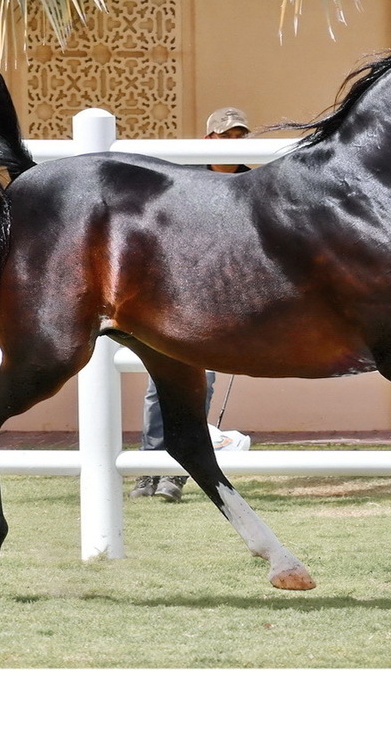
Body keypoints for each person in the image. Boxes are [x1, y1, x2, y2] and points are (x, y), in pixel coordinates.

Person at [130, 107, 253, 502]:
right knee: (158, 384)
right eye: (226, 136)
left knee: (202, 384)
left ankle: (178, 474)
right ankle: (148, 468)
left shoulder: (254, 183)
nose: (233, 144)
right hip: (177, 297)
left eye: (240, 137)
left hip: (223, 301)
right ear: (209, 140)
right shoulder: (186, 181)